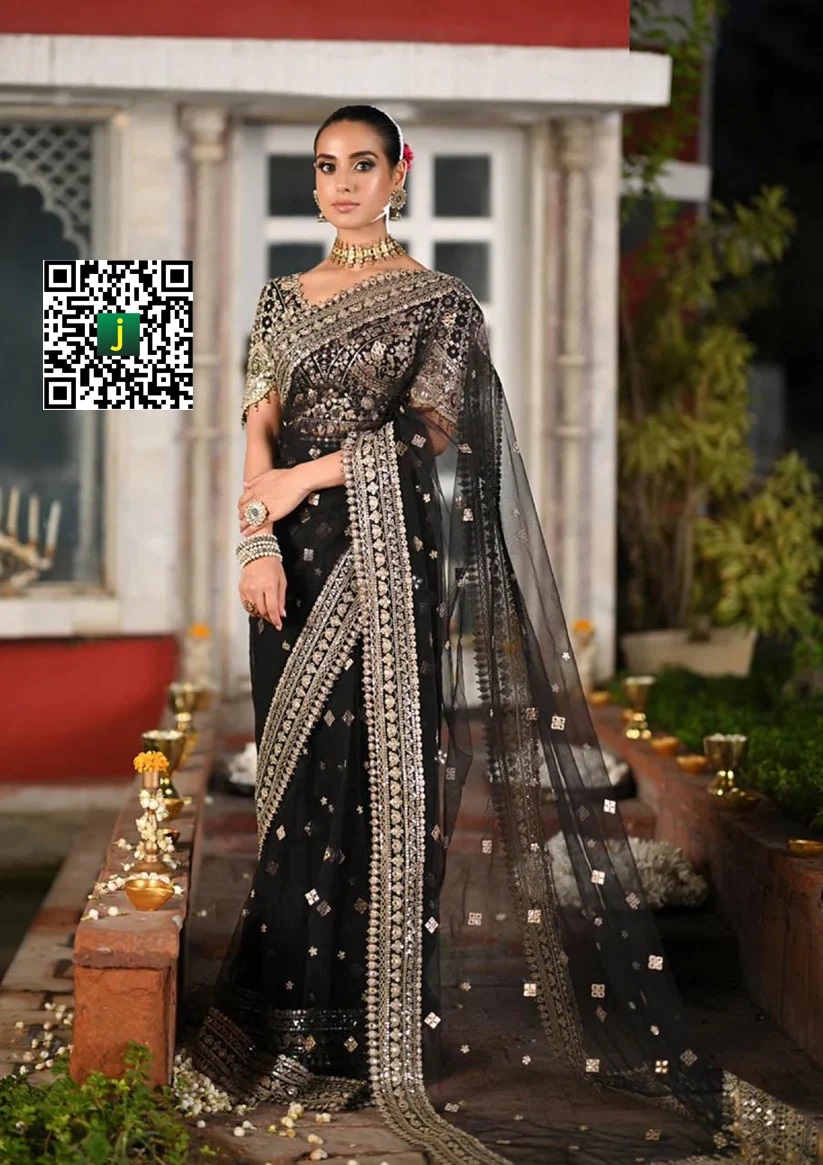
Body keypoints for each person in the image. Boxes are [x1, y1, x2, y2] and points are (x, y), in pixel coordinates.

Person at [192, 105, 819, 1164]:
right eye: (325, 166)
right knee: (299, 790)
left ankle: (365, 1032)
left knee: (383, 786)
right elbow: (254, 423)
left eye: (361, 164)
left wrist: (305, 477)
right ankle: (292, 1022)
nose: (341, 183)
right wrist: (256, 537)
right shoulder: (278, 299)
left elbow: (429, 432)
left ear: (398, 174)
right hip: (288, 565)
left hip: (384, 560)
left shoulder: (442, 303)